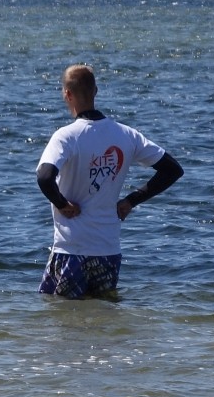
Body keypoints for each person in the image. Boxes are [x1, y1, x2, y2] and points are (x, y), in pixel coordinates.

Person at [35, 64, 183, 300]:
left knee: (62, 324)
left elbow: (44, 177)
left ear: (67, 94)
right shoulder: (126, 134)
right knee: (103, 320)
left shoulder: (66, 136)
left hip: (72, 250)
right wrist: (131, 200)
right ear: (96, 91)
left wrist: (62, 204)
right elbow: (172, 170)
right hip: (108, 250)